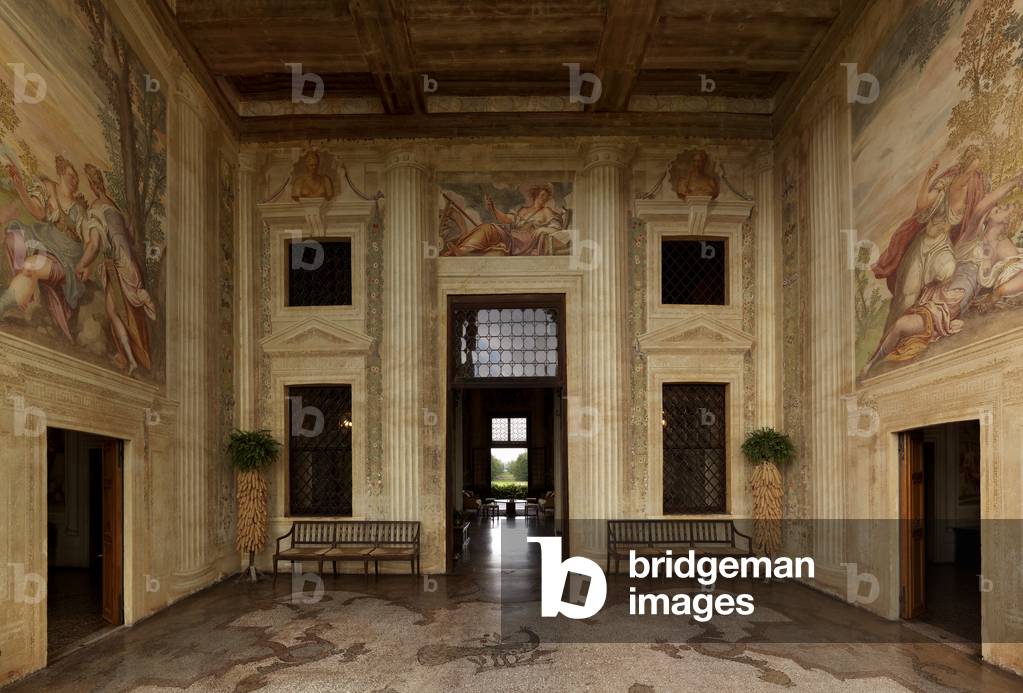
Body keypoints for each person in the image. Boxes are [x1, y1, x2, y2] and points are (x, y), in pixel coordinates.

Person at [76, 163, 156, 374]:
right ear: (101, 183)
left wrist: (80, 264)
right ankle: (132, 356)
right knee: (127, 313)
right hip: (131, 265)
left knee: (113, 312)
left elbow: (93, 245)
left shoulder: (95, 209)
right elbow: (129, 236)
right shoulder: (116, 210)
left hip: (116, 267)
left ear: (93, 186)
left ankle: (132, 360)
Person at [0, 155, 88, 342]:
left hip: (66, 259)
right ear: (61, 173)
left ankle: (5, 304)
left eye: (77, 178)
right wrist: (19, 186)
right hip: (44, 244)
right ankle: (21, 296)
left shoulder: (79, 208)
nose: (75, 180)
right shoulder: (48, 188)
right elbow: (38, 212)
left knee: (30, 266)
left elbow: (88, 241)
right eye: (72, 175)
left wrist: (86, 263)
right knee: (13, 238)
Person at [440, 184, 568, 256]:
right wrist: (493, 208)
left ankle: (462, 250)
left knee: (489, 228)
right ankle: (462, 249)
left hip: (524, 242)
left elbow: (557, 227)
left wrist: (542, 228)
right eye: (542, 195)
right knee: (487, 227)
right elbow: (506, 219)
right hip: (512, 237)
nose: (545, 198)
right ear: (536, 195)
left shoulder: (547, 212)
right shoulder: (523, 210)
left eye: (547, 196)